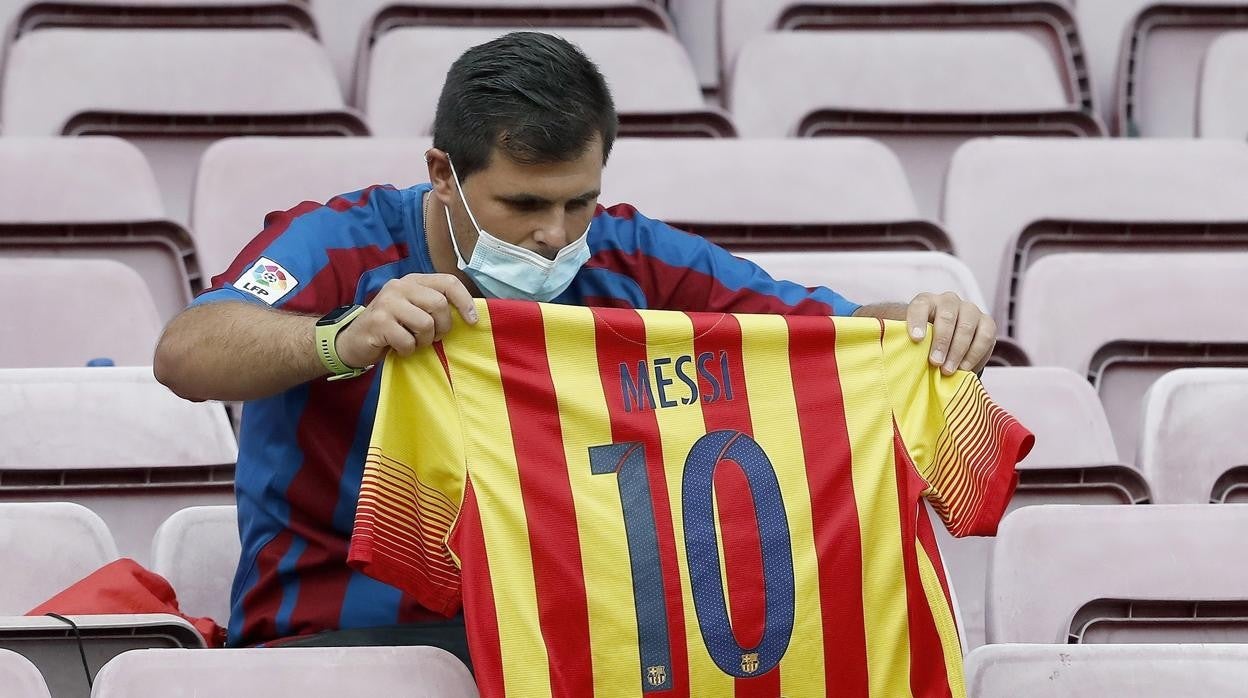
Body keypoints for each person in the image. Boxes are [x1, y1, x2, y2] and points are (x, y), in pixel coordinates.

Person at [153, 31, 997, 665]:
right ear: (442, 173)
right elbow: (186, 353)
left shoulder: (630, 254)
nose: (555, 237)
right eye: (523, 204)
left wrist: (925, 320)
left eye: (579, 203)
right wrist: (346, 336)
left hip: (583, 644)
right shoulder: (337, 242)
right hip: (349, 641)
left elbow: (830, 333)